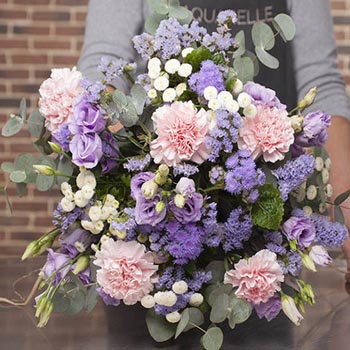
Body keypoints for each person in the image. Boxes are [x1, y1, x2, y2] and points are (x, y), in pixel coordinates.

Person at [78, 0, 350, 279]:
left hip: (266, 242)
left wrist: (345, 206)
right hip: (151, 245)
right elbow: (103, 65)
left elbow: (321, 83)